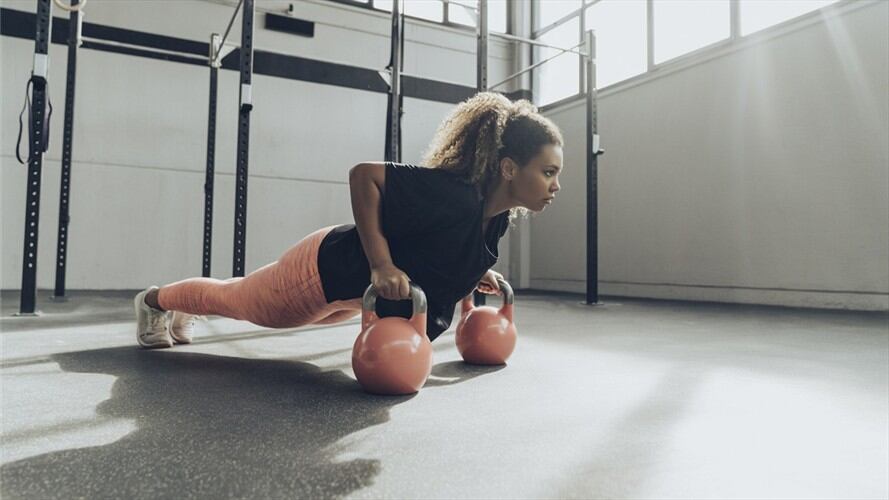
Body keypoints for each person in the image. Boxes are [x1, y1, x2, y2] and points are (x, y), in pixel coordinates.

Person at [134, 91, 564, 348]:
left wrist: (477, 270)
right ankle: (155, 301)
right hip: (322, 270)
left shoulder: (495, 219)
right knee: (237, 301)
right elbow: (365, 176)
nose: (555, 185)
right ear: (509, 168)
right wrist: (381, 264)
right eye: (548, 172)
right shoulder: (453, 193)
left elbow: (440, 246)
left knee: (237, 295)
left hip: (349, 291)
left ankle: (176, 306)